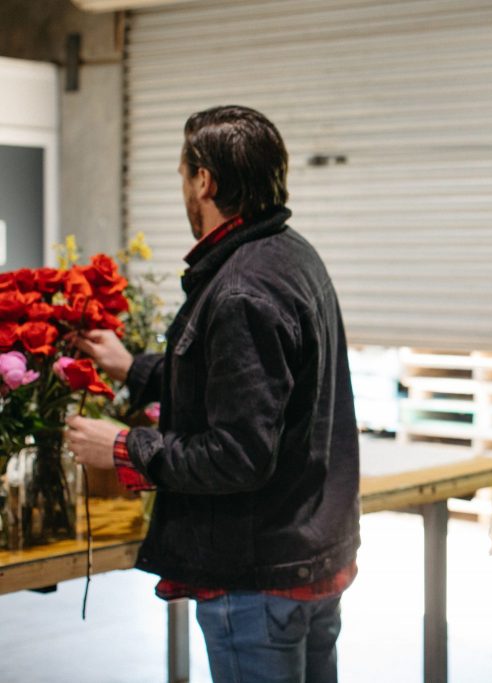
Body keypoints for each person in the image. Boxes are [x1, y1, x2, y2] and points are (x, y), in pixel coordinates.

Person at [66, 105, 360, 683]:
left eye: (183, 174)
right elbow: (245, 388)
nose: (183, 187)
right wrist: (132, 368)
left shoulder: (240, 289)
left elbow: (239, 453)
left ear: (205, 180)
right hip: (308, 556)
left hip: (257, 576)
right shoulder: (289, 254)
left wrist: (124, 447)